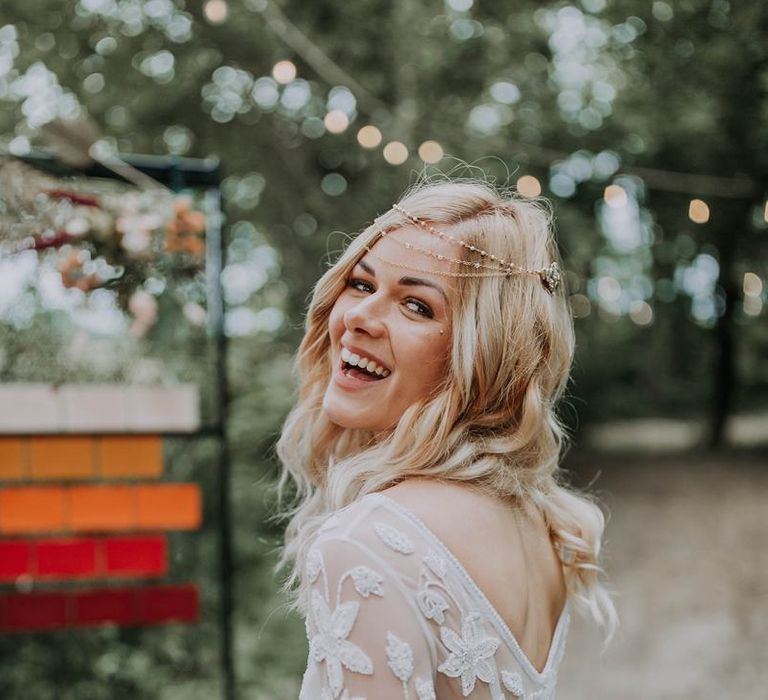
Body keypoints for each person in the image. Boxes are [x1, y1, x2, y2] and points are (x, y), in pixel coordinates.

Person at [274, 176, 618, 699]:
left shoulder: (368, 542)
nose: (360, 318)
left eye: (416, 306)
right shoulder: (539, 523)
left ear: (478, 355)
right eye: (362, 285)